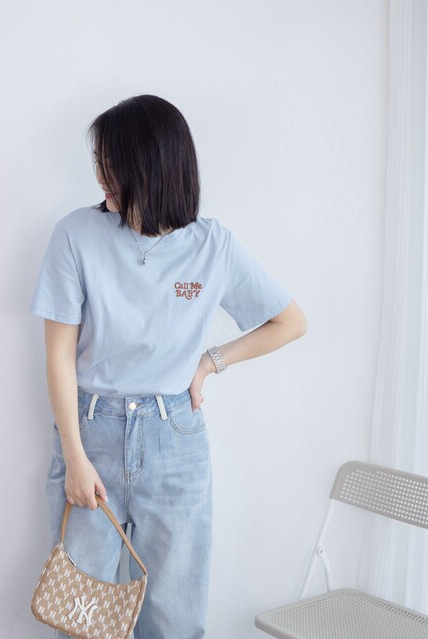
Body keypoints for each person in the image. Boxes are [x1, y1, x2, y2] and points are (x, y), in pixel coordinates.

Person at [28, 94, 307, 639]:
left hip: (175, 440)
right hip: (91, 433)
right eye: (99, 164)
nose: (101, 179)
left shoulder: (212, 245)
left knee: (175, 620)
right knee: (82, 619)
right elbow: (58, 356)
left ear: (153, 168)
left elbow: (289, 321)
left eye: (113, 166)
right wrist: (75, 457)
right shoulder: (75, 235)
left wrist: (209, 362)